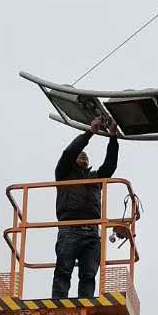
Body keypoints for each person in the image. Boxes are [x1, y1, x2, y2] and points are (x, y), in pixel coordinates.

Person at [52, 115, 118, 299]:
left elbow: (110, 165)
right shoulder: (63, 173)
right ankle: (58, 305)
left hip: (91, 233)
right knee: (63, 271)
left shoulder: (95, 178)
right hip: (69, 230)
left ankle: (85, 305)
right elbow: (69, 152)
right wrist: (90, 132)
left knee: (89, 275)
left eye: (86, 155)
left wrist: (113, 136)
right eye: (80, 155)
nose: (83, 155)